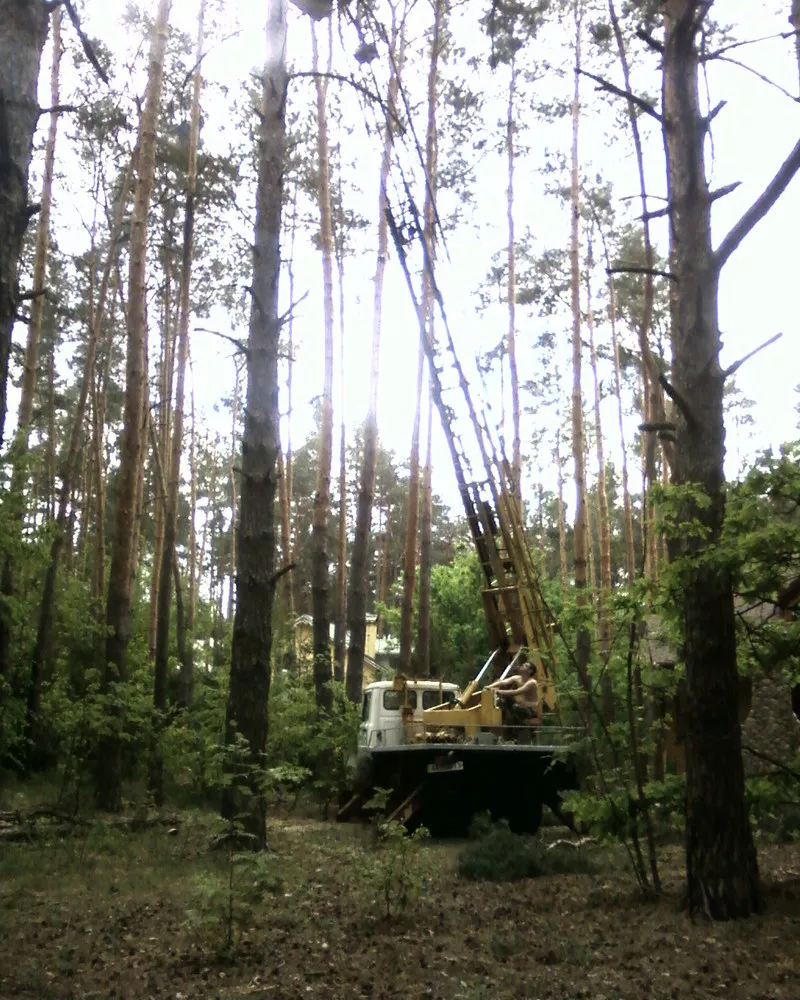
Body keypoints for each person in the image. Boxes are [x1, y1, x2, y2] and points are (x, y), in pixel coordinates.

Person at [487, 658, 539, 728]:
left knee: (515, 706)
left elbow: (516, 692)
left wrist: (498, 691)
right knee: (504, 701)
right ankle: (501, 722)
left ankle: (517, 727)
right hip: (520, 706)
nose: (522, 665)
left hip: (531, 709)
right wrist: (489, 687)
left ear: (530, 671)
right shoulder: (517, 678)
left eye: (526, 665)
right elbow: (502, 682)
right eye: (523, 664)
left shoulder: (532, 682)